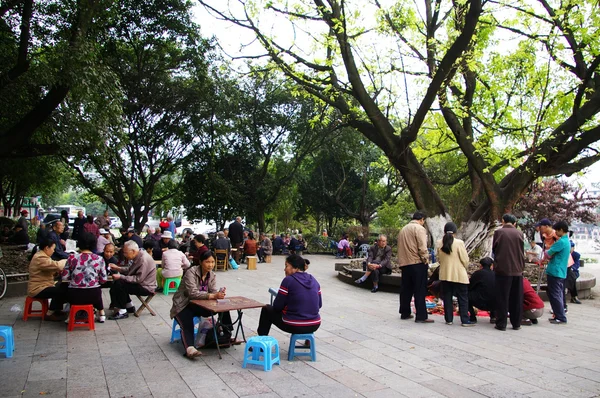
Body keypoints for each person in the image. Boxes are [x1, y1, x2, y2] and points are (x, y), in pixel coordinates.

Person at [170, 251, 231, 358]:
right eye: (207, 262)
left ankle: (227, 334)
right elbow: (192, 293)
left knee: (224, 308)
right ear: (200, 262)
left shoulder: (211, 275)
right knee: (187, 322)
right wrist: (212, 296)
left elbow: (212, 291)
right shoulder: (191, 272)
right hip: (183, 304)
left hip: (199, 305)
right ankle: (190, 348)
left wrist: (219, 294)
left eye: (212, 262)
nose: (210, 265)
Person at [257, 254, 321, 337]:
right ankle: (308, 341)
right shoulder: (314, 280)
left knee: (266, 309)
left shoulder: (288, 280)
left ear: (295, 268)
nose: (284, 269)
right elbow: (319, 305)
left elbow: (277, 306)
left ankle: (261, 343)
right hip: (314, 324)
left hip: (294, 325)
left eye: (286, 266)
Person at [61, 232, 108, 322]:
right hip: (93, 295)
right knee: (97, 288)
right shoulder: (99, 259)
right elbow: (103, 279)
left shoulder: (71, 258)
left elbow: (64, 277)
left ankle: (71, 315)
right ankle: (101, 314)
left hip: (74, 296)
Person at [435, 222, 474, 326]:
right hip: (459, 274)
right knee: (463, 297)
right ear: (455, 232)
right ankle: (465, 320)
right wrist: (464, 267)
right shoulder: (459, 243)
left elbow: (438, 258)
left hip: (445, 274)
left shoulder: (439, 242)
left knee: (447, 297)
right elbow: (465, 260)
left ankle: (449, 319)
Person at [108, 240, 157, 320]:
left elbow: (138, 279)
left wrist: (121, 277)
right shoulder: (138, 256)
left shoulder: (143, 259)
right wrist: (118, 268)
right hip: (142, 284)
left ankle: (122, 311)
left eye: (126, 253)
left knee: (120, 284)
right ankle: (129, 306)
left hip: (146, 287)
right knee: (119, 282)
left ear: (133, 251)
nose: (124, 255)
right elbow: (131, 270)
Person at [492, 213, 525, 331]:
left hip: (503, 269)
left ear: (503, 221)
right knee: (516, 297)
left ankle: (501, 323)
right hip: (517, 269)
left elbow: (495, 249)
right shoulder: (519, 233)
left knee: (502, 297)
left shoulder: (499, 232)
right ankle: (516, 323)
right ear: (514, 223)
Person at [397, 211, 432, 323]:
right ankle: (421, 316)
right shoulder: (419, 229)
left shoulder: (403, 229)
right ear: (421, 219)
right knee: (420, 289)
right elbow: (422, 247)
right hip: (417, 263)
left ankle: (405, 312)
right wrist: (426, 259)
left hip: (405, 263)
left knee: (406, 289)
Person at [27, 237, 68, 321]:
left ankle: (56, 309)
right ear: (47, 248)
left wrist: (56, 272)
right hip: (38, 288)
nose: (53, 251)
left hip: (45, 285)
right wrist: (67, 260)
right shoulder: (40, 258)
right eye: (53, 249)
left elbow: (50, 269)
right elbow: (57, 265)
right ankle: (50, 313)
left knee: (64, 285)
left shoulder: (43, 256)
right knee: (61, 290)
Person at [544, 220, 570, 324]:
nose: (556, 233)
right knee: (557, 293)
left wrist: (546, 253)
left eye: (557, 231)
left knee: (555, 294)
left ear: (561, 230)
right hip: (560, 270)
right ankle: (558, 315)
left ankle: (560, 316)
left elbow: (548, 253)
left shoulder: (561, 242)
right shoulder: (566, 241)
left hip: (555, 270)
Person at [468, 257, 496, 323]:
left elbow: (470, 286)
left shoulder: (477, 273)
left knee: (465, 295)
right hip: (495, 304)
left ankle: (472, 317)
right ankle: (493, 316)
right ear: (491, 266)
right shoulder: (496, 275)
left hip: (480, 302)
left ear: (481, 266)